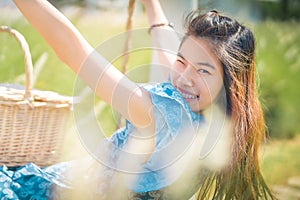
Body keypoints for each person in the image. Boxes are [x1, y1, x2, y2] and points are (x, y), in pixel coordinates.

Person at [0, 0, 276, 199]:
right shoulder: (219, 120)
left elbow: (74, 51)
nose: (184, 77)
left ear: (230, 80)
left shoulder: (165, 114)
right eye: (182, 61)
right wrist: (152, 5)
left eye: (203, 70)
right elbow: (169, 50)